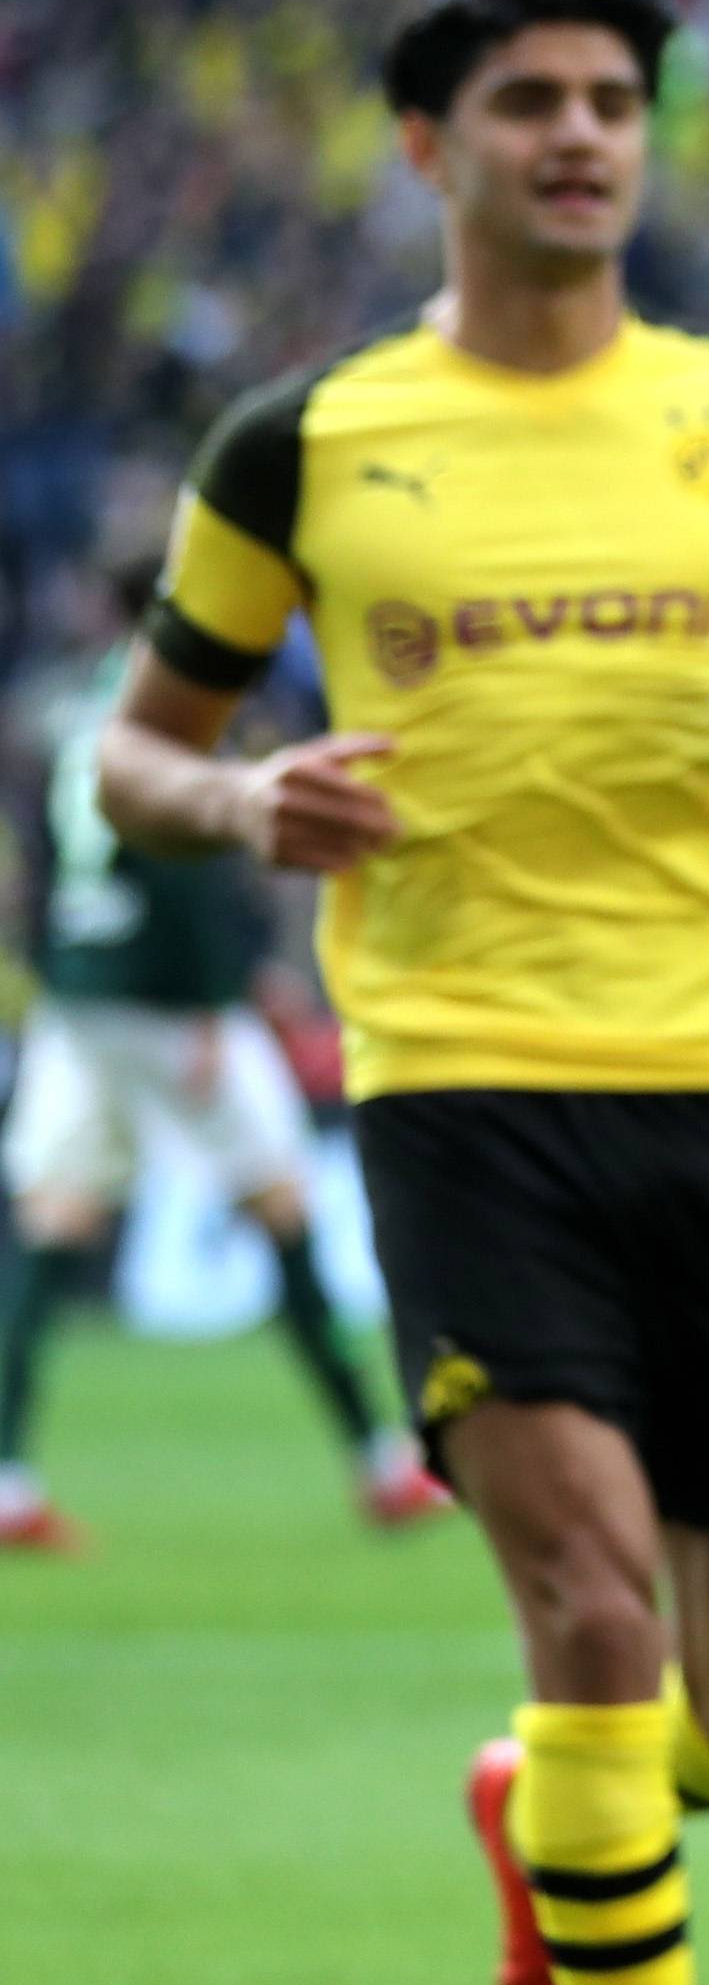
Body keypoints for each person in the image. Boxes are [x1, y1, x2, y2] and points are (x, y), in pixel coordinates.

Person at [99, 0, 709, 1985]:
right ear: (428, 147)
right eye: (532, 101)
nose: (580, 136)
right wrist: (241, 794)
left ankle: (547, 1812)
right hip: (460, 1086)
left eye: (611, 104)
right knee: (584, 1597)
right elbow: (132, 755)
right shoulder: (306, 444)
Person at [0, 577, 442, 1551]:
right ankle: (381, 1461)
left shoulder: (71, 706)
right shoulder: (173, 712)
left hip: (79, 997)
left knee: (51, 1222)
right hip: (175, 1004)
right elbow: (177, 857)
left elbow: (36, 860)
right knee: (283, 1209)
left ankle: (8, 1482)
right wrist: (214, 999)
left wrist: (55, 969)